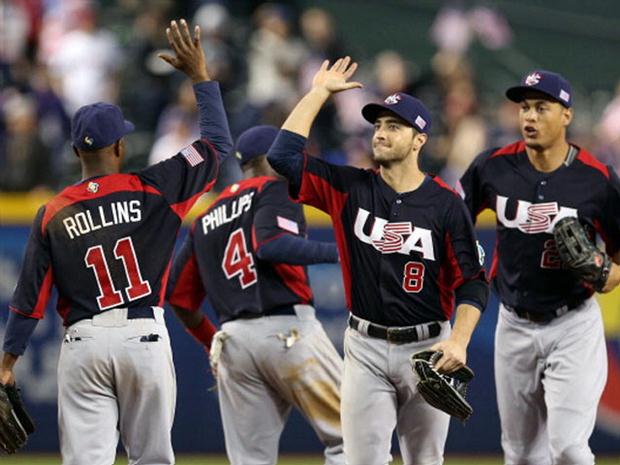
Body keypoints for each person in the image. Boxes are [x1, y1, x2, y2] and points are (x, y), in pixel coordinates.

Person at [0, 19, 232, 465]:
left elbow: (27, 301)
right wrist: (201, 76)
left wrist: (8, 363)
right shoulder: (155, 187)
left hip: (82, 344)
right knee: (151, 459)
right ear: (120, 147)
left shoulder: (53, 212)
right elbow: (218, 146)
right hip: (142, 337)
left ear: (75, 153)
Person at [267, 57, 489, 465]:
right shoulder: (349, 187)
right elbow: (282, 157)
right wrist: (318, 92)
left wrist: (459, 339)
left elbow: (473, 282)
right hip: (365, 348)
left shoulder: (445, 205)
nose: (381, 133)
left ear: (419, 139)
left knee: (425, 460)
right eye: (378, 125)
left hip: (427, 348)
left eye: (394, 126)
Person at [459, 70, 620, 465]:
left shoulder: (596, 181)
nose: (529, 117)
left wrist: (607, 276)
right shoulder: (492, 167)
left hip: (572, 325)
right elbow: (453, 223)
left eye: (541, 108)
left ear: (566, 115)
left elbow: (618, 260)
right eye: (525, 107)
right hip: (513, 323)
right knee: (520, 454)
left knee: (568, 448)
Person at [166, 125, 344, 465]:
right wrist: (340, 253)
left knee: (250, 460)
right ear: (275, 158)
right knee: (355, 437)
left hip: (234, 340)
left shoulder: (204, 217)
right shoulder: (276, 189)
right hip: (288, 330)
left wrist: (212, 341)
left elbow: (178, 297)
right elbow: (271, 246)